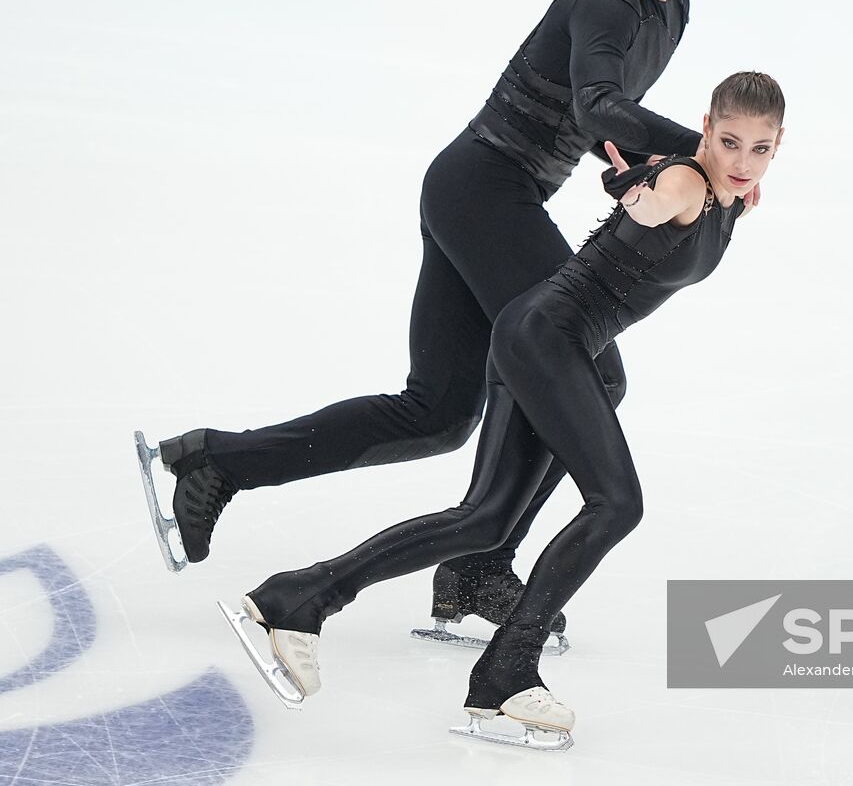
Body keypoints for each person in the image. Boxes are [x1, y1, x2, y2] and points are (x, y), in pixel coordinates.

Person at [135, 0, 759, 642]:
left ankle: (214, 460)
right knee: (589, 373)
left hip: (488, 191)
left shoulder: (672, 8)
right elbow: (600, 107)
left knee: (436, 412)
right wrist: (712, 163)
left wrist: (682, 175)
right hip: (483, 187)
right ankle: (477, 564)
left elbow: (609, 138)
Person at [220, 72, 786, 750]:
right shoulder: (690, 186)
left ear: (777, 148)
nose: (740, 160)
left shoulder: (735, 199)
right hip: (547, 338)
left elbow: (700, 194)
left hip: (539, 337)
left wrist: (670, 182)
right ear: (705, 127)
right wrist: (644, 198)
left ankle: (296, 599)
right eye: (727, 141)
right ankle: (507, 671)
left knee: (486, 519)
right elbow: (664, 200)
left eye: (759, 148)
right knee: (616, 504)